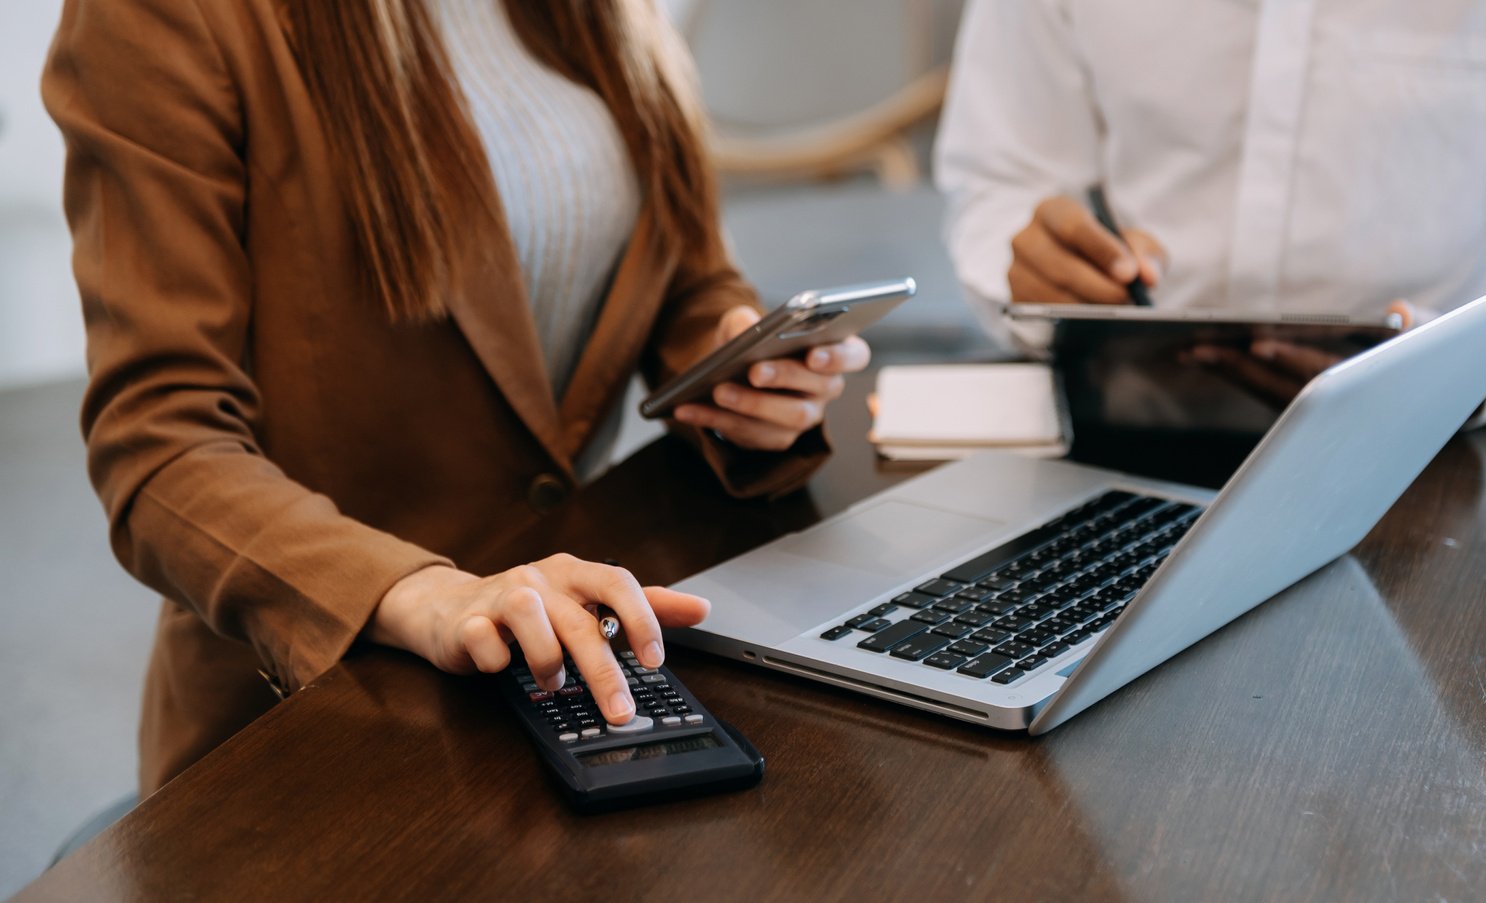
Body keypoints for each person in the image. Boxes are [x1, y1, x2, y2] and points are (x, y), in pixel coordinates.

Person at [43, 0, 869, 794]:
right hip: (320, 719)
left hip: (561, 659)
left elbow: (679, 261)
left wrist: (736, 373)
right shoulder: (159, 14)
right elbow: (161, 449)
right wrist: (426, 591)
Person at [935, 0, 1486, 423]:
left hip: (1440, 468)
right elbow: (1000, 178)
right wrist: (1034, 268)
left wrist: (1463, 375)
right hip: (1128, 440)